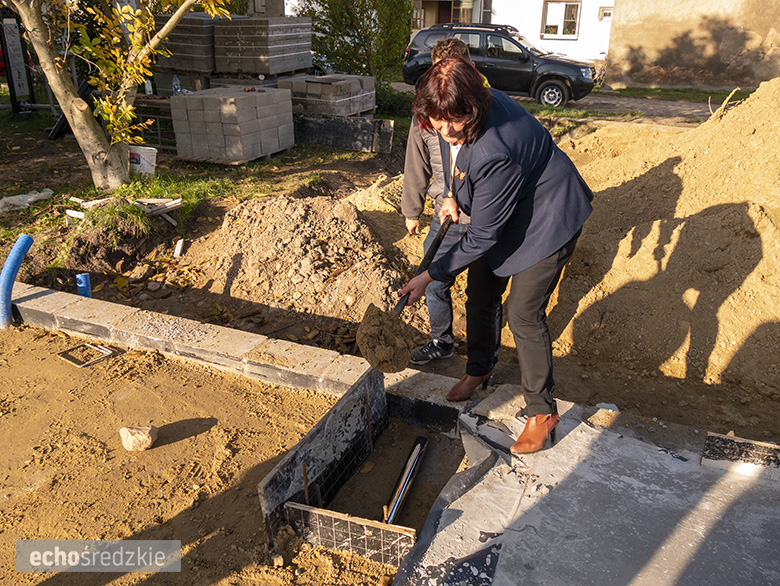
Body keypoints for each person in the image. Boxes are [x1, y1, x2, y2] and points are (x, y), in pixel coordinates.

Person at [399, 58, 593, 454]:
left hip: (548, 216)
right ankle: (480, 367)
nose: (447, 130)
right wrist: (453, 196)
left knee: (522, 312)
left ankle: (542, 411)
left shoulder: (495, 149)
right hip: (510, 205)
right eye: (438, 122)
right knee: (482, 293)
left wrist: (430, 275)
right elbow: (457, 158)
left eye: (454, 121)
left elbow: (482, 236)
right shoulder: (456, 114)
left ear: (474, 105)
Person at [402, 37, 498, 366]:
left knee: (483, 295)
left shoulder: (486, 106)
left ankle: (486, 359)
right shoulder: (427, 110)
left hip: (487, 212)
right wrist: (412, 209)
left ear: (469, 70)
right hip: (448, 210)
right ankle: (441, 341)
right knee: (432, 279)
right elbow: (416, 160)